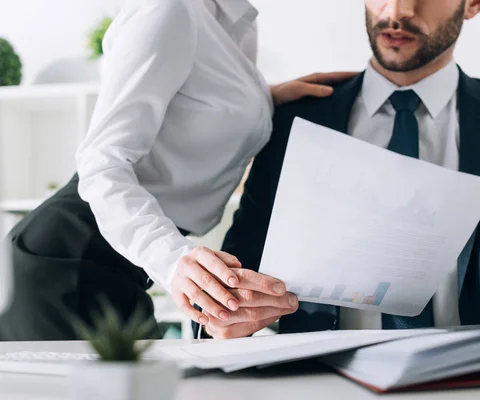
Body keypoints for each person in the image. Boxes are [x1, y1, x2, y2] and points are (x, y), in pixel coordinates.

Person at [201, 0, 480, 340]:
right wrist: (225, 315)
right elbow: (235, 279)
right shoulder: (293, 121)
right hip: (324, 386)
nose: (398, 10)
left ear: (474, 2)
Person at [0, 0, 354, 341]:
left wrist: (264, 101)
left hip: (120, 263)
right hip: (70, 255)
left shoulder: (233, 19)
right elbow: (101, 160)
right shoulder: (168, 9)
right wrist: (174, 260)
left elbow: (195, 103)